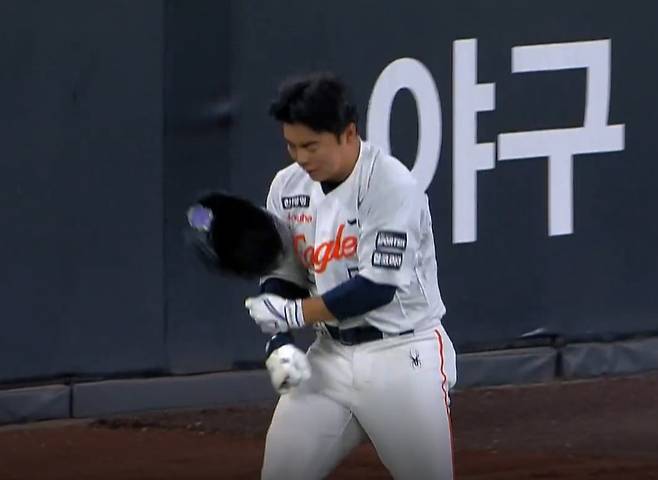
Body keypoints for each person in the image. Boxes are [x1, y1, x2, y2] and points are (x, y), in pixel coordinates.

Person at [244, 72, 457, 480]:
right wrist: (280, 343)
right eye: (291, 145)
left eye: (311, 146)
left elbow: (376, 287)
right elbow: (286, 276)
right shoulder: (287, 187)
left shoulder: (390, 185)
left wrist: (293, 314)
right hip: (330, 357)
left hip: (403, 354)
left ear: (348, 133)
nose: (300, 157)